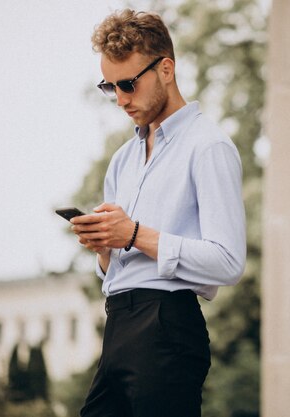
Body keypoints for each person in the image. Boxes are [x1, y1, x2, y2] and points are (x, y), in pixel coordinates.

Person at [70, 9, 246, 417]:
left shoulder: (208, 146)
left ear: (166, 68)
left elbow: (229, 262)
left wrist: (132, 233)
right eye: (109, 87)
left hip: (168, 326)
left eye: (129, 84)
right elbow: (116, 268)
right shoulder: (122, 160)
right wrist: (104, 246)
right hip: (118, 324)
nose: (121, 99)